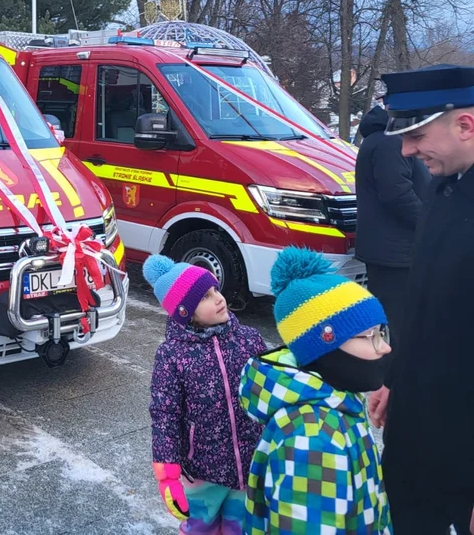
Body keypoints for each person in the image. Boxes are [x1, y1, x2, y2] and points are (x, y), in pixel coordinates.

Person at [368, 64, 474, 535]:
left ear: (465, 125)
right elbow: (423, 303)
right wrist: (396, 380)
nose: (406, 150)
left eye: (416, 135)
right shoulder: (444, 189)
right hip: (417, 423)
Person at [239, 247, 391, 534]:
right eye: (369, 336)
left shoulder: (339, 401)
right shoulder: (313, 440)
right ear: (324, 345)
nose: (384, 346)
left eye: (381, 332)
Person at [143, 255, 266, 534]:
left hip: (248, 463)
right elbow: (164, 414)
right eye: (205, 298)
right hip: (201, 470)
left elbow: (268, 392)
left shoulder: (248, 339)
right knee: (201, 527)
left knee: (242, 526)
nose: (218, 299)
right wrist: (167, 474)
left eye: (215, 290)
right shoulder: (172, 355)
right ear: (185, 312)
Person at [354, 93, 430, 350]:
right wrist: (432, 222)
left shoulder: (389, 137)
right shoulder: (388, 141)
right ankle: (395, 382)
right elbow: (396, 194)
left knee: (401, 322)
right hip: (393, 252)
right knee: (399, 326)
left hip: (395, 248)